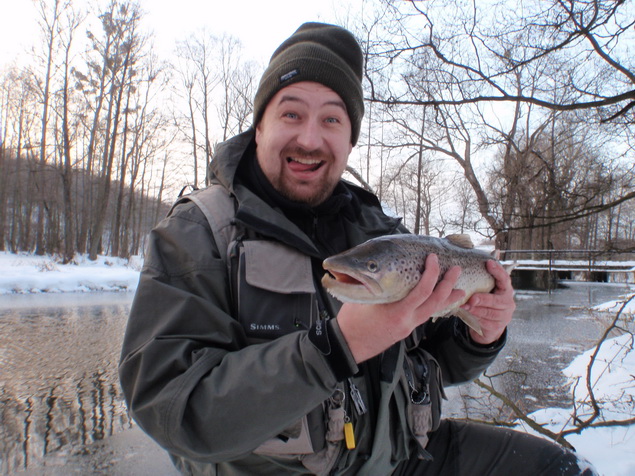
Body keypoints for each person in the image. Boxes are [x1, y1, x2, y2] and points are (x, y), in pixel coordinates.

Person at [119, 22, 596, 476]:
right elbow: (171, 410)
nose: (310, 138)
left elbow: (440, 362)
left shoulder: (386, 237)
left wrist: (480, 334)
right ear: (259, 127)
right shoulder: (197, 233)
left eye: (332, 119)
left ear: (349, 142)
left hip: (402, 460)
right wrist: (334, 348)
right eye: (291, 113)